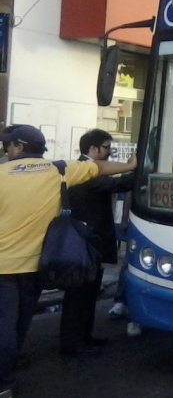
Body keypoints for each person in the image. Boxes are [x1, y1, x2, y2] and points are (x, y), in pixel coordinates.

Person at [0, 126, 136, 397]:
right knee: (19, 322)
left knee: (4, 323)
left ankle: (4, 381)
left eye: (7, 145)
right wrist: (132, 163)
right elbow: (99, 168)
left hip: (3, 266)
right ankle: (8, 366)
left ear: (17, 147)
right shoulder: (59, 170)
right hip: (37, 264)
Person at [59, 129, 135, 357]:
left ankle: (84, 336)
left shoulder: (89, 169)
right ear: (92, 149)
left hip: (91, 243)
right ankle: (73, 343)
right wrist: (141, 166)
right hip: (85, 243)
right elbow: (118, 185)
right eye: (107, 146)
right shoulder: (85, 171)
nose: (110, 151)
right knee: (79, 295)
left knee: (88, 293)